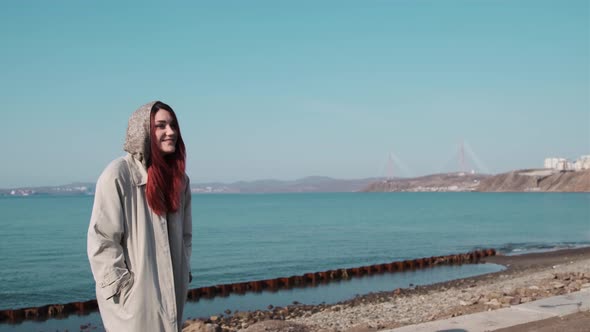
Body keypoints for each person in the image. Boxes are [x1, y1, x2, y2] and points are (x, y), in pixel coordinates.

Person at [87, 101, 192, 332]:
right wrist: (123, 289)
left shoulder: (180, 182)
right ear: (143, 130)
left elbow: (186, 236)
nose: (171, 132)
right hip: (134, 302)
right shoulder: (118, 175)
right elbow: (102, 239)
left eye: (173, 125)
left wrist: (183, 270)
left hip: (172, 292)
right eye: (161, 126)